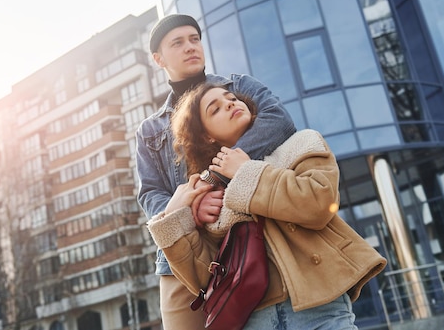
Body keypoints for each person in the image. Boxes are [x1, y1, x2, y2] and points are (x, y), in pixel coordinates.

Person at [146, 83, 387, 330]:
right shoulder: (209, 195)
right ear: (207, 135)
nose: (230, 103)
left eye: (231, 98)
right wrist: (175, 216)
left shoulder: (301, 144)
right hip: (253, 320)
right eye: (215, 109)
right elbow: (204, 277)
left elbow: (319, 204)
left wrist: (245, 171)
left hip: (320, 309)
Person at [135, 14, 296, 329]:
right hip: (180, 258)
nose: (190, 47)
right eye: (178, 43)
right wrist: (190, 210)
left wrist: (214, 178)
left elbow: (278, 121)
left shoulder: (238, 87)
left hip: (249, 241)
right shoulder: (150, 129)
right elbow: (150, 193)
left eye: (194, 39)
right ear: (158, 59)